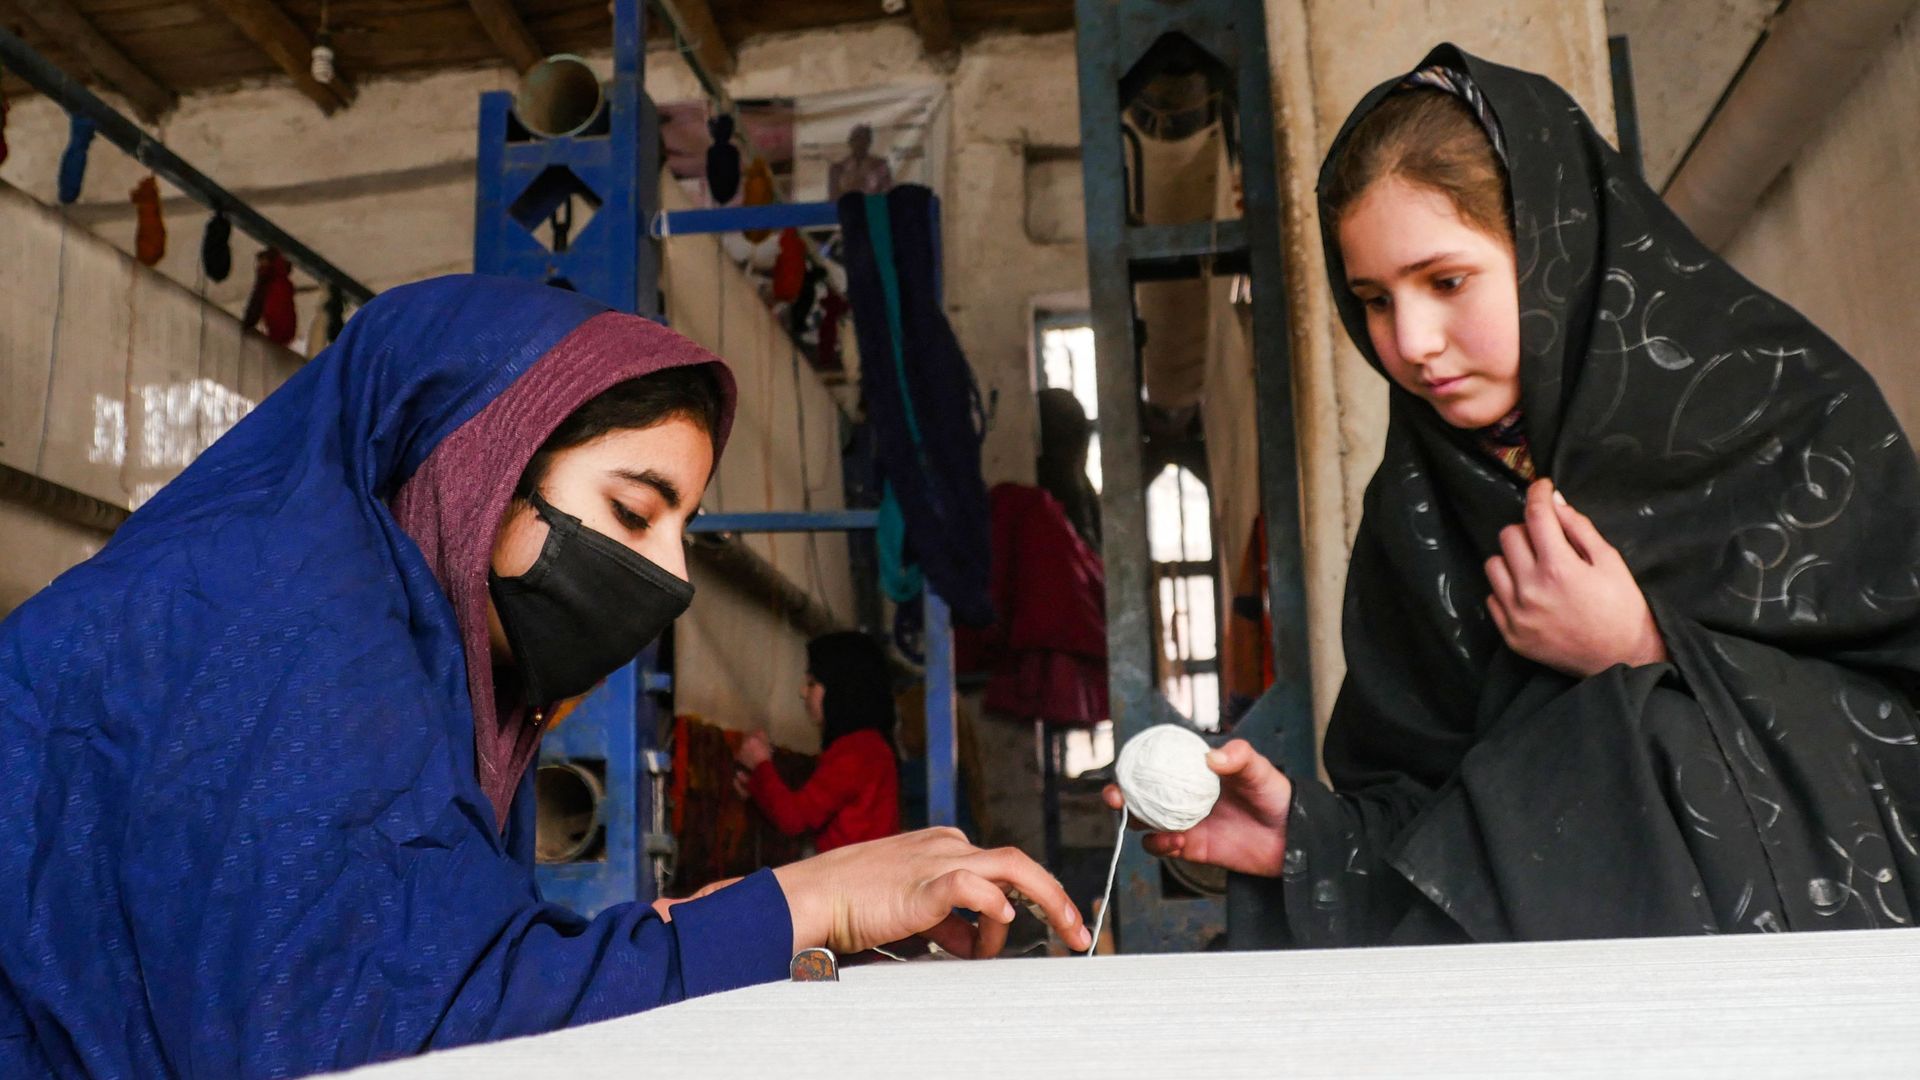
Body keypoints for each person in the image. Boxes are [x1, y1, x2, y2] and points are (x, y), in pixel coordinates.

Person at [0, 275, 1089, 1078]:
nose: (668, 574)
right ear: (482, 467)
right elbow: (371, 1042)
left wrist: (705, 921)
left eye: (683, 530)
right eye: (631, 510)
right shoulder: (294, 633)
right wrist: (805, 899)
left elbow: (400, 952)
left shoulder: (379, 638)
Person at [1108, 45, 1920, 946]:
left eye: (1447, 281)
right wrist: (1304, 841)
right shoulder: (1416, 515)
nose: (1411, 342)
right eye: (1373, 300)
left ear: (1554, 250)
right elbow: (1438, 829)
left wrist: (1643, 649)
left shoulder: (1780, 415)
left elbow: (1898, 722)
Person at [734, 632, 901, 851]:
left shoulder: (855, 752)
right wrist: (758, 787)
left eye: (812, 683)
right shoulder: (872, 747)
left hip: (850, 880)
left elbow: (794, 820)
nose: (803, 692)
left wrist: (761, 764)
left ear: (841, 690)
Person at [827, 124, 894, 199]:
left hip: (873, 207)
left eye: (864, 140)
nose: (860, 143)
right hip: (847, 207)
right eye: (857, 139)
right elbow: (833, 199)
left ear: (869, 142)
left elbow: (887, 195)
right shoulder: (837, 168)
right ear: (850, 142)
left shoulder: (880, 166)